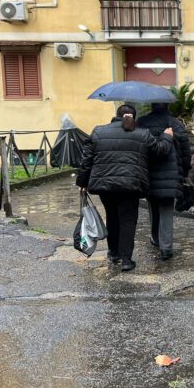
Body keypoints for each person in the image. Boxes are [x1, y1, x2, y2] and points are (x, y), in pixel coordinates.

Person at [76, 104, 174, 272]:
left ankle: (114, 253)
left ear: (117, 115)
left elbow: (87, 160)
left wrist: (82, 183)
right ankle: (127, 260)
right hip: (131, 186)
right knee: (128, 221)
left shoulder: (99, 131)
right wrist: (167, 136)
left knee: (112, 217)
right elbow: (160, 150)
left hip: (105, 186)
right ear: (133, 117)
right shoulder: (142, 133)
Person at [137, 103, 192, 261]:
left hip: (148, 173)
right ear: (167, 106)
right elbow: (186, 151)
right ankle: (166, 248)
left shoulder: (141, 122)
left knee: (153, 207)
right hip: (172, 175)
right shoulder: (175, 124)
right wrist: (185, 172)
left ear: (152, 106)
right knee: (167, 210)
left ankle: (155, 239)